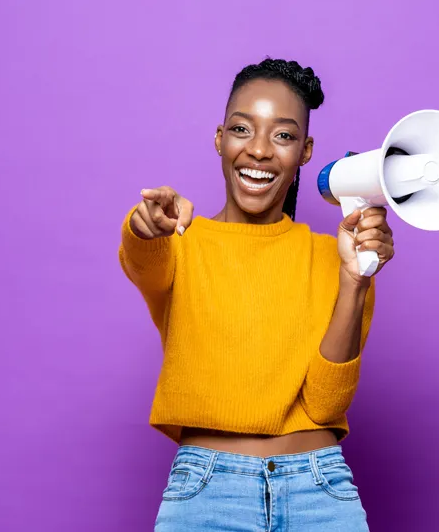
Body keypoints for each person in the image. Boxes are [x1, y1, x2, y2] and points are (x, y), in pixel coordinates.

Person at [119, 58, 395, 531]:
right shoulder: (180, 241)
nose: (260, 150)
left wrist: (355, 280)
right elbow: (140, 254)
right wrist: (145, 225)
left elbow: (326, 406)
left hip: (320, 493)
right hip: (206, 496)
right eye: (242, 129)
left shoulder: (335, 256)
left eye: (283, 135)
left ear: (305, 151)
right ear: (219, 139)